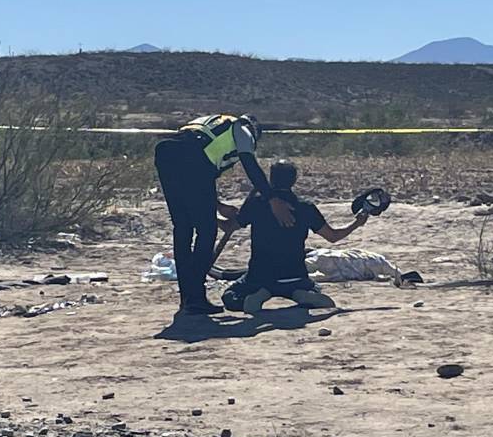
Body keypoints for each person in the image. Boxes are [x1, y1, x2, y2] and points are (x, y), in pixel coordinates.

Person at [154, 114, 294, 315]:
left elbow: (201, 177)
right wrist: (272, 199)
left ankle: (188, 299)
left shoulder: (213, 124)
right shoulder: (241, 128)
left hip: (167, 153)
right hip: (190, 159)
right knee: (206, 231)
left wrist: (217, 206)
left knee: (183, 228)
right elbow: (249, 163)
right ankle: (195, 297)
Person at [219, 160, 368, 314]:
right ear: (294, 180)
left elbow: (229, 227)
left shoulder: (257, 203)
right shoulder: (306, 206)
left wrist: (208, 213)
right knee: (313, 289)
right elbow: (333, 236)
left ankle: (262, 293)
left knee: (230, 296)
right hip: (295, 274)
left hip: (260, 275)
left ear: (270, 179)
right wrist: (356, 223)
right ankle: (298, 294)